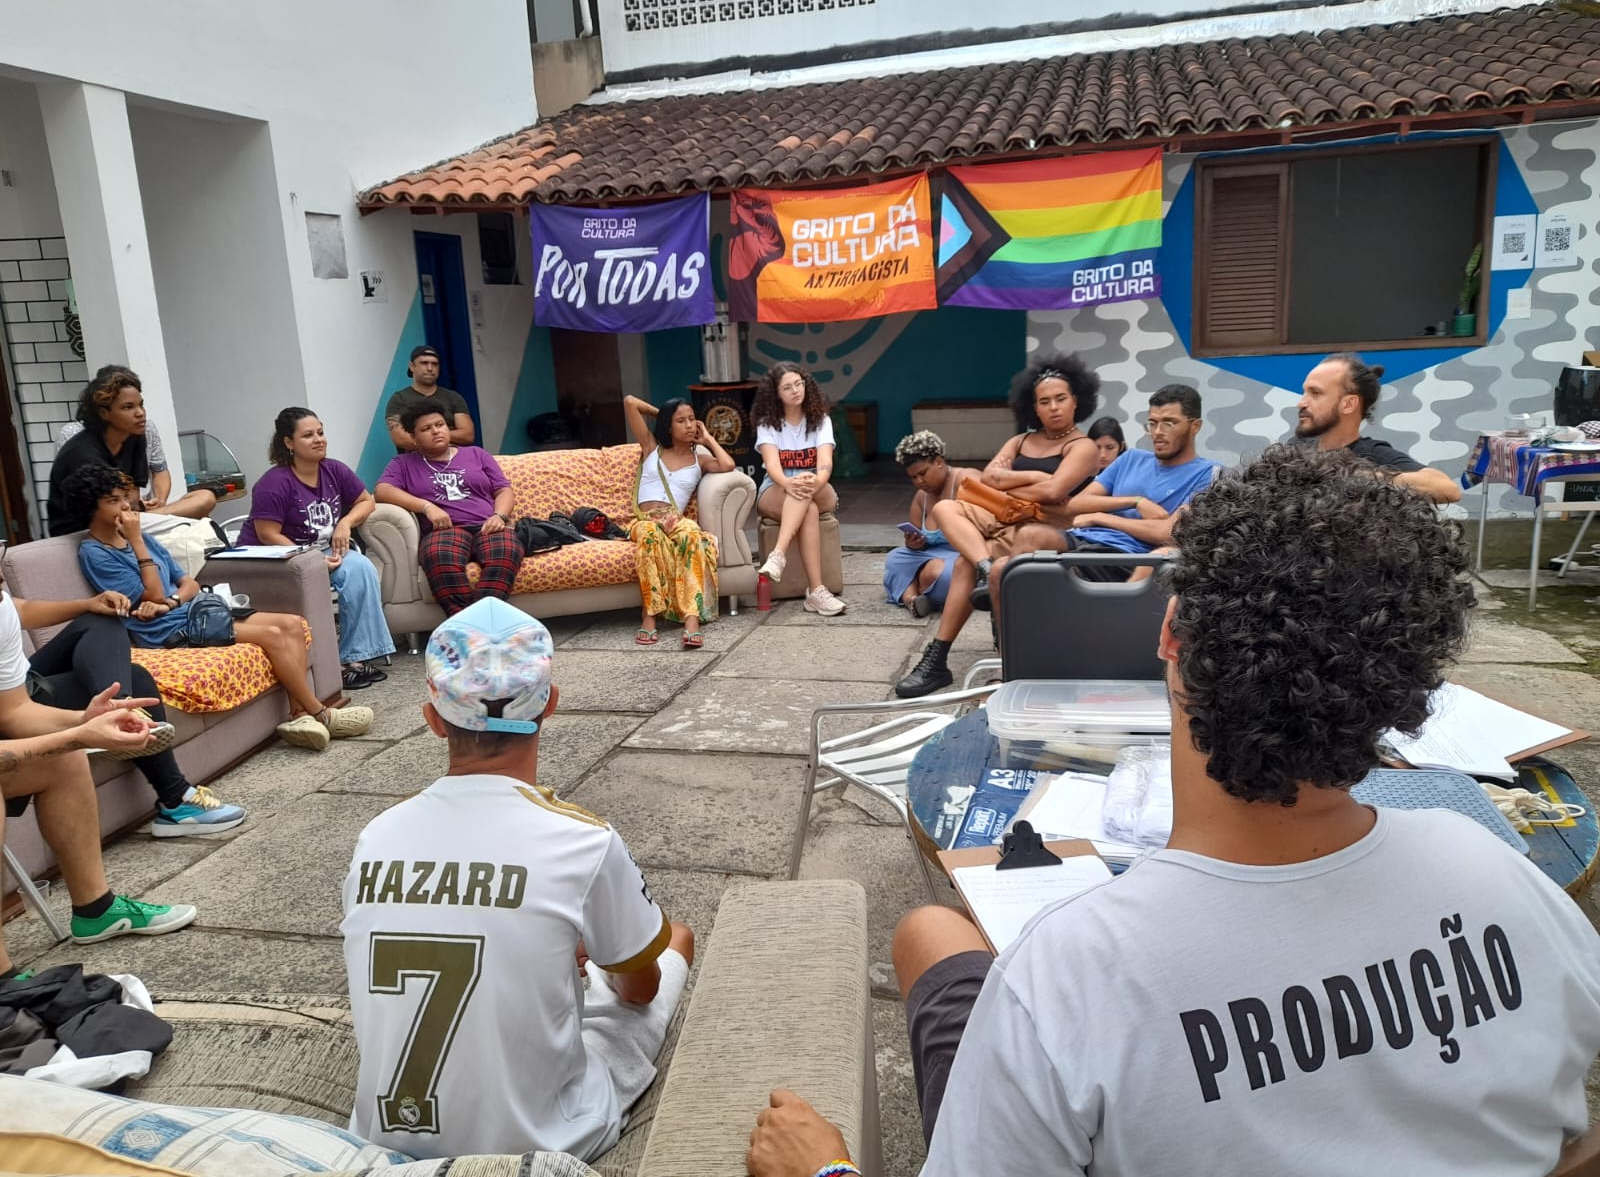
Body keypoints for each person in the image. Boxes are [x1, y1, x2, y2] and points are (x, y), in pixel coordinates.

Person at [747, 446, 1600, 1177]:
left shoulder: (1067, 976)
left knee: (934, 933)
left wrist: (826, 1169)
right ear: (1412, 684)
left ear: (1171, 633)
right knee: (929, 932)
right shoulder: (1502, 875)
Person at [342, 597, 695, 1162]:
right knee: (676, 938)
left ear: (433, 719)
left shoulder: (375, 838)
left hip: (384, 1135)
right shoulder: (584, 840)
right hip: (542, 1140)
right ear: (549, 703)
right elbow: (639, 990)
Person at [63, 465, 373, 753]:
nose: (125, 507)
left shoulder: (140, 537)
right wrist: (137, 545)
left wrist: (172, 600)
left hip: (194, 610)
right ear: (91, 508)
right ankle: (320, 713)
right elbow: (153, 592)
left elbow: (189, 583)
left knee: (292, 623)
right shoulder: (96, 552)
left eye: (124, 498)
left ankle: (298, 715)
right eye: (113, 501)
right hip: (166, 630)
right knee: (272, 635)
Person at [0, 587, 199, 967]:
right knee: (66, 746)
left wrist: (83, 720)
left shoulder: (0, 608)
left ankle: (96, 910)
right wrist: (76, 735)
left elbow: (13, 712)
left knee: (63, 759)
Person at [895, 356, 1101, 698]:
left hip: (1052, 527)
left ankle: (1003, 661)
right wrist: (1036, 477)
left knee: (963, 564)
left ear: (1076, 400)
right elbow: (989, 480)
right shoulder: (1020, 441)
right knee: (946, 510)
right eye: (1044, 401)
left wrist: (1015, 482)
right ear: (1033, 407)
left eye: (1060, 399)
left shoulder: (1083, 447)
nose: (1053, 408)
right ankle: (941, 652)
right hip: (1006, 518)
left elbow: (1054, 492)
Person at [18, 590, 246, 836]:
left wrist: (89, 603)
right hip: (11, 701)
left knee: (125, 658)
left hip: (18, 683)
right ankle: (174, 797)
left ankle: (119, 707)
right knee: (132, 676)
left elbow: (22, 609)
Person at [992, 383, 1218, 593]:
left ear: (1195, 426)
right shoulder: (1130, 458)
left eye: (1169, 423)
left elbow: (1168, 532)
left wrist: (1101, 517)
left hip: (1125, 556)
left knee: (1020, 571)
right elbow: (1078, 504)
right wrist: (1134, 502)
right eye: (1152, 423)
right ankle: (1017, 624)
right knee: (1010, 557)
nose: (1158, 432)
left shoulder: (1207, 474)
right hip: (1081, 539)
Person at [240, 408, 396, 690]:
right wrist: (309, 560)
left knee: (360, 568)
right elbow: (267, 534)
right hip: (276, 558)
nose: (318, 440)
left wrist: (346, 523)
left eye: (320, 433)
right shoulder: (273, 483)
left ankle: (354, 657)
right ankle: (326, 665)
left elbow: (366, 501)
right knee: (314, 578)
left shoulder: (334, 470)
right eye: (308, 435)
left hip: (320, 551)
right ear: (288, 442)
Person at [375, 400, 524, 616]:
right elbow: (383, 490)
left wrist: (499, 516)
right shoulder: (403, 463)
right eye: (426, 429)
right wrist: (427, 507)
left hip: (486, 524)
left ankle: (484, 618)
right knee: (438, 556)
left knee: (508, 549)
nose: (436, 431)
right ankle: (465, 622)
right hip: (445, 530)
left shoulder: (476, 454)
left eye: (440, 425)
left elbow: (503, 489)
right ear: (414, 438)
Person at [622, 393, 736, 648]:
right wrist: (661, 414)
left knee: (692, 533)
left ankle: (691, 620)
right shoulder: (652, 448)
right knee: (650, 536)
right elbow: (630, 402)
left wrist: (708, 439)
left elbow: (728, 465)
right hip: (646, 520)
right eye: (681, 421)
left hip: (675, 520)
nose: (689, 425)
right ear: (668, 426)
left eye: (692, 419)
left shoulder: (699, 460)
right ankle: (649, 616)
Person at [48, 365, 217, 535]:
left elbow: (133, 495)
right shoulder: (82, 453)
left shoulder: (134, 435)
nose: (140, 413)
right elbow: (106, 511)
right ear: (104, 413)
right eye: (128, 407)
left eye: (140, 405)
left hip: (127, 514)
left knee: (205, 497)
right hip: (90, 529)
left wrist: (149, 507)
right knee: (192, 523)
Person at [1293, 353, 1463, 504]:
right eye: (1304, 392)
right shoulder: (1295, 448)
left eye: (1315, 393)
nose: (1301, 403)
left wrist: (1351, 474)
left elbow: (1448, 490)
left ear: (1349, 404)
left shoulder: (1373, 455)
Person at [753, 363, 846, 616]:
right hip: (777, 487)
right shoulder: (767, 423)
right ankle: (816, 592)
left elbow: (825, 464)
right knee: (808, 508)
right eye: (787, 387)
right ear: (775, 394)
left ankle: (778, 555)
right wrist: (787, 483)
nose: (795, 390)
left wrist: (814, 480)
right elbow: (773, 466)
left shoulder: (820, 420)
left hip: (818, 485)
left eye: (799, 384)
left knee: (805, 485)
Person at [880, 432, 979, 619]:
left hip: (964, 555)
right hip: (932, 554)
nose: (919, 481)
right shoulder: (922, 497)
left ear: (939, 462)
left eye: (923, 473)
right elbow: (916, 545)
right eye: (913, 477)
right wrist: (913, 543)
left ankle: (915, 589)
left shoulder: (965, 479)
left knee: (937, 573)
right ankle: (912, 599)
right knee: (895, 558)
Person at [385, 345, 475, 454]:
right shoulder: (399, 399)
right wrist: (441, 439)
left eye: (434, 364)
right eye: (424, 363)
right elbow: (401, 439)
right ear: (412, 366)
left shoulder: (453, 397)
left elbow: (467, 435)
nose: (430, 368)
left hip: (452, 460)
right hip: (414, 461)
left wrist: (426, 435)